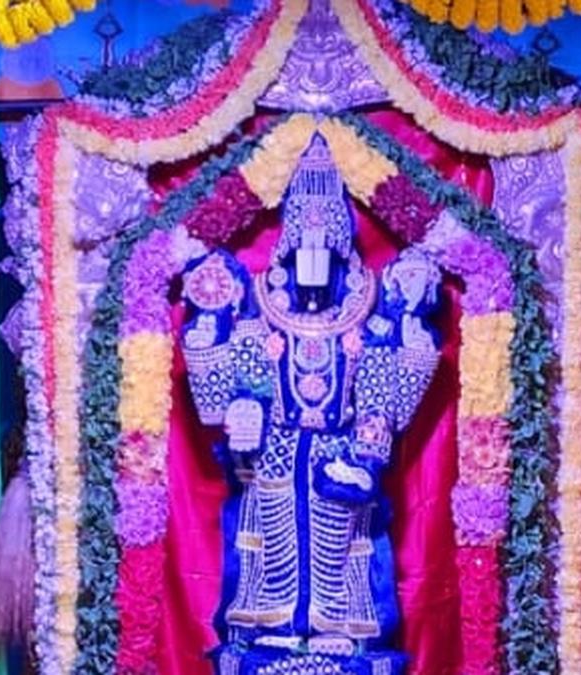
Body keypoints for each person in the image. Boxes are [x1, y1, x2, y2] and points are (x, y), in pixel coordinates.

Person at [180, 134, 442, 673]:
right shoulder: (258, 312)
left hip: (338, 457)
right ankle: (267, 627)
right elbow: (218, 400)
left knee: (343, 545)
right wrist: (240, 410)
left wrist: (365, 452)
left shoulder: (367, 314)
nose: (315, 256)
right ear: (288, 244)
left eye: (327, 242)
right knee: (267, 536)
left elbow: (383, 396)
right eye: (305, 241)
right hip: (272, 454)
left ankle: (340, 631)